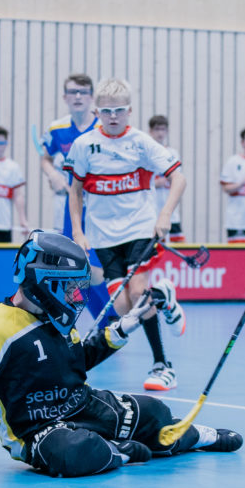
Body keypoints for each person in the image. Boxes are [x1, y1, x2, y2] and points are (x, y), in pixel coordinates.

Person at [0, 231, 241, 479]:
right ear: (44, 283)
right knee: (71, 451)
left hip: (82, 405)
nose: (76, 295)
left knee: (154, 411)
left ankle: (201, 437)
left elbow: (75, 362)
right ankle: (118, 452)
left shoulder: (57, 316)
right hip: (38, 430)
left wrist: (121, 329)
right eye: (69, 286)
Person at [66, 78, 188, 391]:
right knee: (122, 308)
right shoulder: (84, 146)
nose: (113, 116)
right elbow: (75, 190)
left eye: (119, 110)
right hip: (104, 237)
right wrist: (78, 231)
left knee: (137, 290)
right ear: (97, 112)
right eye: (107, 111)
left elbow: (178, 178)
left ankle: (162, 366)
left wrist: (165, 215)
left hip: (139, 229)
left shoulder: (142, 143)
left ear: (130, 111)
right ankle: (162, 296)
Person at [39, 74, 110, 317]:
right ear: (65, 97)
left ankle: (113, 318)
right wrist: (53, 175)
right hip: (73, 210)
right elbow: (45, 159)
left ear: (91, 97)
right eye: (72, 92)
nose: (77, 96)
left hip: (102, 211)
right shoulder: (57, 129)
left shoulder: (104, 127)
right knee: (77, 274)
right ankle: (103, 324)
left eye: (83, 92)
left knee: (97, 274)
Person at [147, 115, 185, 243]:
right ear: (150, 131)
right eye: (157, 129)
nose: (160, 133)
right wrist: (155, 183)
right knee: (155, 248)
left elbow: (177, 180)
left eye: (163, 129)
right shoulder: (146, 153)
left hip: (171, 213)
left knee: (178, 246)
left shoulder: (172, 153)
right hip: (152, 211)